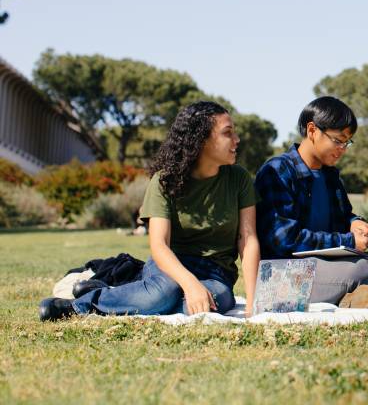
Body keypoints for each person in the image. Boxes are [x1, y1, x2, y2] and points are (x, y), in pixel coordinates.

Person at [38, 101, 261, 321]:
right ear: (201, 140)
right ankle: (81, 305)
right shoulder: (165, 181)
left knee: (210, 303)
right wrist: (191, 284)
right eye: (227, 133)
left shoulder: (239, 179)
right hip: (170, 266)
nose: (237, 140)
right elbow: (159, 245)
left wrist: (253, 301)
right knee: (164, 294)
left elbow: (247, 240)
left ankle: (122, 293)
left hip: (215, 274)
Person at [255, 96, 368, 308]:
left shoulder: (331, 176)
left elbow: (344, 215)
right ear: (312, 131)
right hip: (284, 274)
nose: (343, 149)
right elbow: (284, 239)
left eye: (347, 142)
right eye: (338, 140)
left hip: (333, 264)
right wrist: (348, 241)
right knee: (359, 269)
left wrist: (355, 223)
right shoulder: (277, 171)